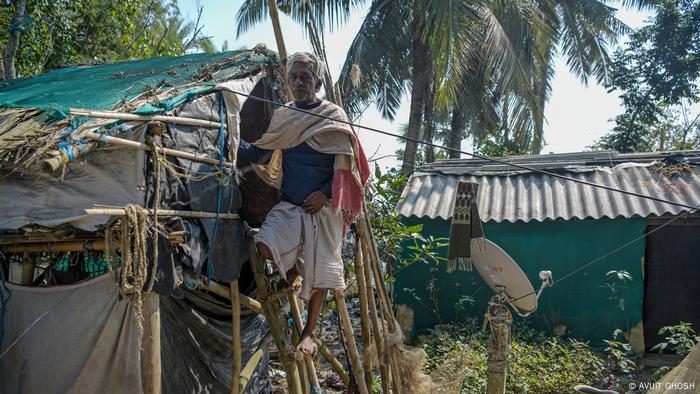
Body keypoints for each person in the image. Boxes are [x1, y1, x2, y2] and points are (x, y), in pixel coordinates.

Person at [238, 52, 369, 356]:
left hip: (324, 209)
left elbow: (347, 170)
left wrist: (325, 194)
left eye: (305, 77)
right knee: (264, 243)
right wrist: (231, 138)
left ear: (318, 82)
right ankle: (294, 273)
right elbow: (260, 154)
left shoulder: (334, 117)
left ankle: (309, 333)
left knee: (322, 270)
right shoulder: (284, 116)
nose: (298, 82)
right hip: (291, 205)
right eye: (294, 77)